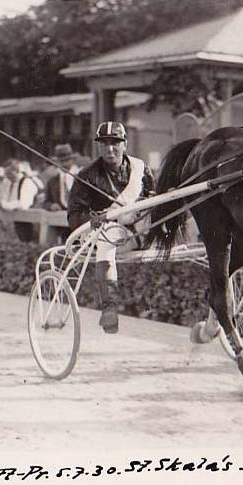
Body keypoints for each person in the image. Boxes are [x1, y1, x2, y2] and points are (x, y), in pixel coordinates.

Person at [67, 121, 155, 334]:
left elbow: (153, 196)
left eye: (115, 142)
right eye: (104, 143)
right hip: (104, 235)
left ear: (125, 144)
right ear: (99, 146)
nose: (110, 148)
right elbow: (73, 214)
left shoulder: (140, 169)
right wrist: (92, 219)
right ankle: (109, 307)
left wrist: (141, 211)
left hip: (139, 231)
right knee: (108, 237)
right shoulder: (86, 175)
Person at [0, 158, 44, 242]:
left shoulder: (27, 182)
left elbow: (24, 204)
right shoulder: (7, 182)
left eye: (9, 173)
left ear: (17, 171)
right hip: (12, 221)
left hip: (29, 222)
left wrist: (2, 205)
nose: (7, 176)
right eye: (6, 174)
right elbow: (3, 198)